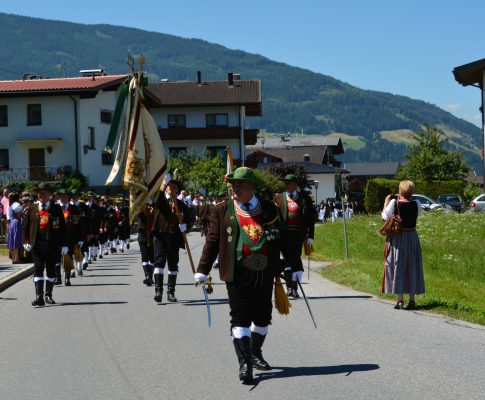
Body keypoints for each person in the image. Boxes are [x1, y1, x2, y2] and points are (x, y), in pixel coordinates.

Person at [195, 167, 303, 383]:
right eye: (233, 185)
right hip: (236, 273)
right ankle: (245, 364)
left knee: (263, 318)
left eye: (240, 185)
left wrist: (296, 265)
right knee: (240, 317)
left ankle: (255, 353)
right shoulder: (222, 210)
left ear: (252, 187)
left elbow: (284, 239)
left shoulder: (270, 209)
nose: (234, 188)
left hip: (264, 271)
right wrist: (202, 269)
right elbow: (213, 241)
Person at [381, 180, 425, 310]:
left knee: (397, 265)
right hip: (412, 237)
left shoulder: (395, 203)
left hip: (398, 238)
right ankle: (412, 300)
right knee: (411, 265)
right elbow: (418, 214)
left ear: (401, 191)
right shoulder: (417, 203)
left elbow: (384, 217)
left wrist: (386, 203)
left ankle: (400, 300)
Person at [22, 183, 68, 306]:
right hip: (37, 245)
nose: (42, 194)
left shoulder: (57, 209)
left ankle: (48, 295)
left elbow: (63, 228)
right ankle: (39, 297)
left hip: (52, 245)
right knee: (38, 269)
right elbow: (25, 227)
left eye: (45, 192)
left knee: (51, 270)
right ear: (37, 195)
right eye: (40, 192)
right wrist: (25, 241)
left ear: (49, 194)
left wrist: (64, 244)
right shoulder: (31, 209)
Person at [274, 174, 315, 298]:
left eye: (288, 183)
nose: (285, 185)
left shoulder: (304, 198)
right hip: (284, 235)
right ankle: (289, 287)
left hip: (299, 234)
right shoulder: (278, 198)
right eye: (285, 183)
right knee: (287, 261)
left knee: (296, 261)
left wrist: (311, 236)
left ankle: (294, 287)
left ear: (295, 184)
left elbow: (311, 218)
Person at [151, 175, 189, 303]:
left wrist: (186, 227)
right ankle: (158, 291)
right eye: (169, 186)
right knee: (159, 262)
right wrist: (162, 184)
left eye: (174, 187)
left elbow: (190, 219)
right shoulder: (161, 200)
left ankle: (171, 292)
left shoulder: (181, 205)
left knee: (173, 264)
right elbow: (156, 201)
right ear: (166, 188)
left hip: (174, 237)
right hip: (160, 235)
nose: (171, 188)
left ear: (177, 190)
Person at [7, 192, 22, 264]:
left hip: (11, 222)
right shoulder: (16, 204)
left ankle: (13, 258)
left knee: (12, 241)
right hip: (16, 222)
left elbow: (8, 216)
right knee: (16, 241)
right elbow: (19, 216)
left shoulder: (9, 205)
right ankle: (17, 259)